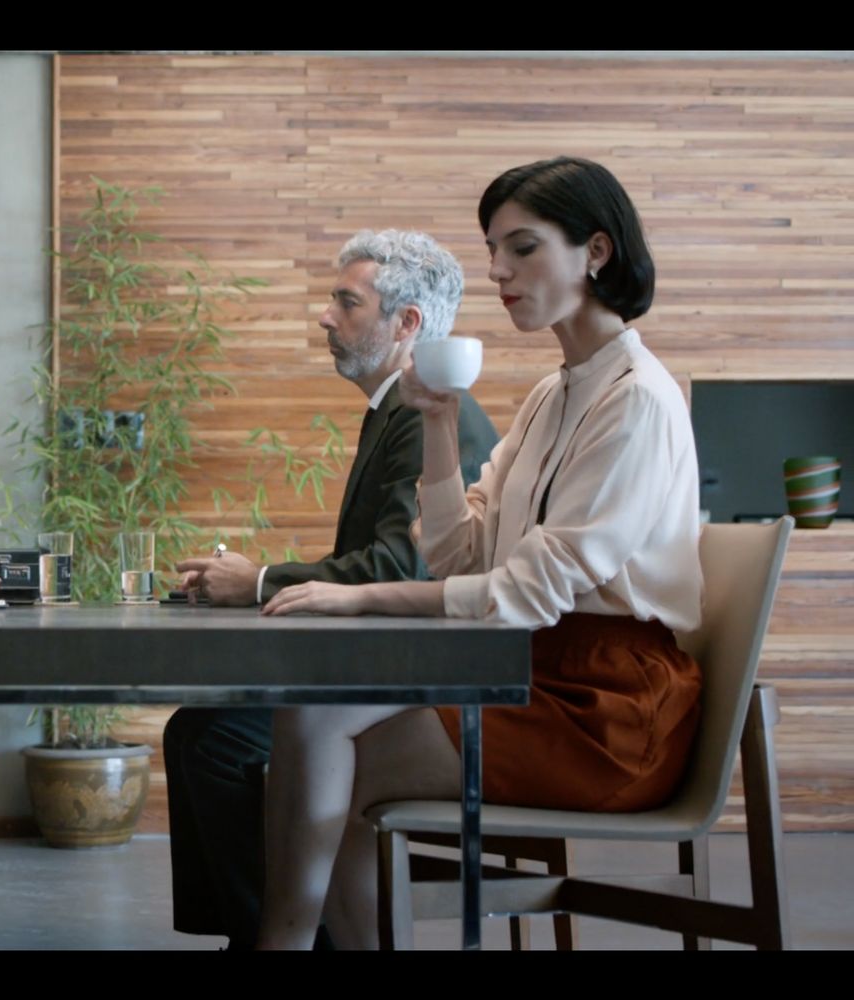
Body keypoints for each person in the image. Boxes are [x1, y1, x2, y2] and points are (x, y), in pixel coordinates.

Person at [258, 157, 703, 950]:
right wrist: (437, 423)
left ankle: (284, 945)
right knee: (314, 714)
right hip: (526, 672)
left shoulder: (636, 399)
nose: (497, 271)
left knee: (325, 735)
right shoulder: (550, 395)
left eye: (522, 248)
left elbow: (528, 592)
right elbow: (460, 560)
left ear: (595, 252)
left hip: (606, 710)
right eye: (495, 248)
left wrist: (360, 597)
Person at [164, 229, 498, 949]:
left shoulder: (426, 415)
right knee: (202, 730)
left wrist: (256, 580)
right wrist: (257, 580)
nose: (324, 316)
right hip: (379, 671)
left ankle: (274, 935)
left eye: (347, 301)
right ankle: (262, 931)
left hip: (416, 687)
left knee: (213, 737)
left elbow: (395, 568)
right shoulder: (395, 410)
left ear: (406, 324)